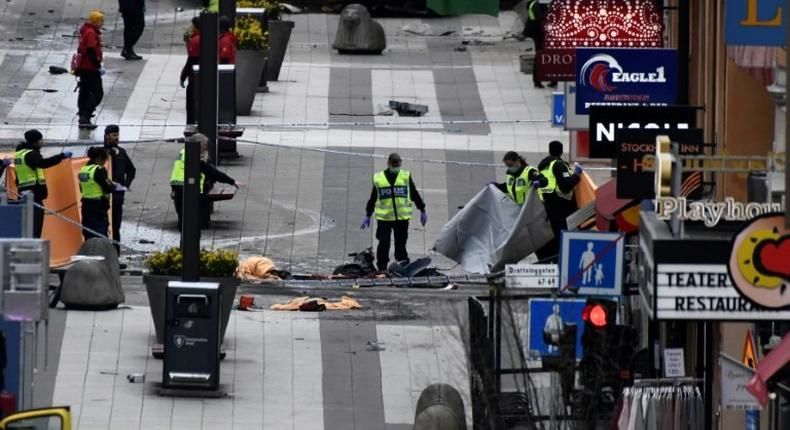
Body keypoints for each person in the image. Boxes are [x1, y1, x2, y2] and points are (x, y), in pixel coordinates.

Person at [361, 153, 428, 272]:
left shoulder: (405, 176)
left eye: (397, 165)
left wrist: (422, 209)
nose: (395, 168)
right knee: (384, 243)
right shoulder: (379, 178)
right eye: (394, 165)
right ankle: (382, 268)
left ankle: (402, 265)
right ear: (388, 164)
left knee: (401, 243)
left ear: (400, 164)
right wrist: (368, 214)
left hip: (401, 218)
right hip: (384, 218)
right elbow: (373, 198)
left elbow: (414, 194)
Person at [170, 133, 240, 231]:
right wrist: (231, 181)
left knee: (183, 215)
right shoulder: (192, 155)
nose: (206, 149)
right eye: (204, 146)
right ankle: (190, 237)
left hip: (177, 185)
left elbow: (209, 170)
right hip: (186, 186)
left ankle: (186, 235)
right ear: (198, 145)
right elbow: (211, 171)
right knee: (189, 216)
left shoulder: (184, 151)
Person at [14, 130, 72, 238]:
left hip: (22, 195)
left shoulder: (19, 154)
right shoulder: (31, 154)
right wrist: (61, 156)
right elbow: (43, 163)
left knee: (25, 229)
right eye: (41, 139)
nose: (42, 142)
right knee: (34, 228)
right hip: (33, 196)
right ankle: (32, 252)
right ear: (35, 141)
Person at [536, 141, 582, 261]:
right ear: (561, 151)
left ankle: (552, 266)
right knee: (563, 242)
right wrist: (577, 174)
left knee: (554, 242)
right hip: (562, 210)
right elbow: (566, 186)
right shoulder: (558, 165)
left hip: (548, 209)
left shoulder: (543, 166)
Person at [103, 125, 136, 255]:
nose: (116, 137)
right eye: (114, 135)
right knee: (104, 226)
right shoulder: (100, 152)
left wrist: (125, 185)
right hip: (104, 196)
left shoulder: (121, 152)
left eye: (117, 135)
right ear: (107, 136)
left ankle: (116, 255)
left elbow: (131, 170)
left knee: (116, 226)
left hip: (118, 196)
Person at [78, 147, 116, 241]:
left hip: (86, 205)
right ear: (99, 158)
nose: (104, 163)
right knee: (100, 232)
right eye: (104, 160)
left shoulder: (84, 169)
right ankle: (101, 253)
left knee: (88, 232)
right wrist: (113, 185)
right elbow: (108, 187)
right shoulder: (98, 170)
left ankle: (89, 252)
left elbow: (81, 187)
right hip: (98, 207)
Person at [75, 10, 105, 129]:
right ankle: (86, 115)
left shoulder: (85, 30)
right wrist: (97, 64)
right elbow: (90, 49)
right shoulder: (91, 32)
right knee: (98, 93)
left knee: (84, 91)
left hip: (83, 67)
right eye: (101, 21)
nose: (102, 23)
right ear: (96, 21)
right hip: (90, 67)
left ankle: (82, 116)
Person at [523, 0, 556, 89]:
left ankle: (551, 80)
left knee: (550, 56)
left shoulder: (533, 3)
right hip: (541, 34)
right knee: (542, 56)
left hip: (540, 33)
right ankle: (540, 80)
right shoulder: (538, 5)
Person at [180, 17, 201, 125]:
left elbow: (191, 61)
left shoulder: (195, 40)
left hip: (195, 77)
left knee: (191, 104)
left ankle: (191, 128)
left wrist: (183, 76)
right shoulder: (211, 37)